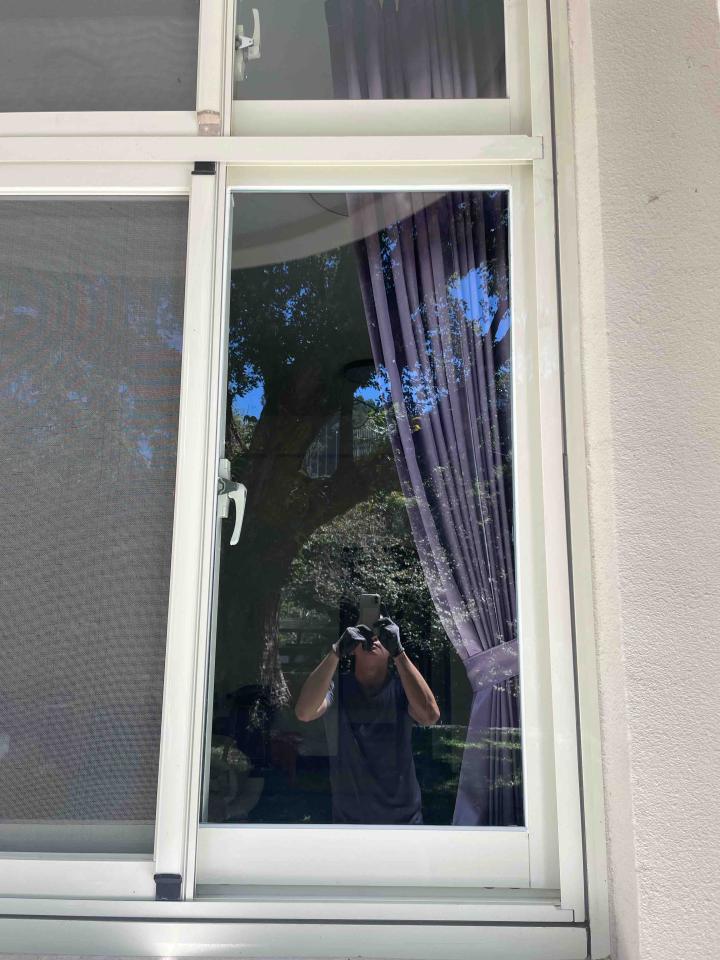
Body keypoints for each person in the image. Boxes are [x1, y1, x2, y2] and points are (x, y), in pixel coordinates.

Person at [294, 616, 440, 824]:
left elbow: (430, 716)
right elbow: (304, 712)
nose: (372, 639)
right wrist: (335, 652)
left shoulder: (403, 688)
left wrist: (400, 653)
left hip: (403, 821)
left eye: (381, 635)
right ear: (353, 646)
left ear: (390, 646)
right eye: (363, 633)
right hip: (349, 822)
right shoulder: (337, 687)